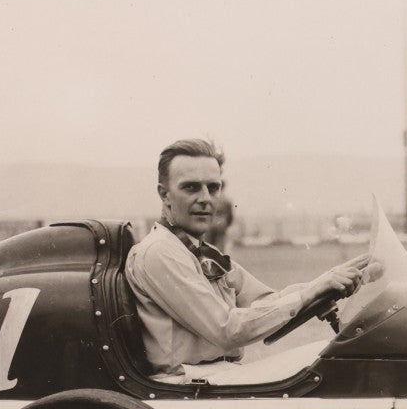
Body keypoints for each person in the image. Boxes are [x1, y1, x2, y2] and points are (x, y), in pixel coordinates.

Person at [126, 138, 370, 380]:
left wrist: (323, 284)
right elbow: (228, 329)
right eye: (191, 187)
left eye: (213, 188)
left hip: (219, 377)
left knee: (331, 359)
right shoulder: (159, 252)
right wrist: (310, 291)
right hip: (187, 386)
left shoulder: (199, 250)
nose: (205, 198)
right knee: (331, 368)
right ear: (164, 194)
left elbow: (265, 300)